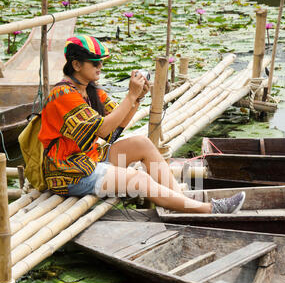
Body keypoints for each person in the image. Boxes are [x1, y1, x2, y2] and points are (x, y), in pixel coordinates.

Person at [39, 35, 245, 214]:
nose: (100, 67)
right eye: (95, 63)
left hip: (91, 159)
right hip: (70, 173)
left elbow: (114, 130)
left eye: (101, 63)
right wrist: (130, 95)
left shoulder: (90, 90)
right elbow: (102, 129)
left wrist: (136, 99)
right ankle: (208, 209)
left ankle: (181, 199)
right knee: (139, 179)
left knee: (142, 143)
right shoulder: (63, 95)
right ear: (76, 65)